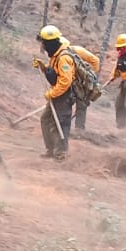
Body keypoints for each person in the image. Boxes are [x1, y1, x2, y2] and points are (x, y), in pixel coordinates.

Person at [35, 25, 80, 161]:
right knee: (46, 119)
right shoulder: (55, 56)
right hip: (57, 94)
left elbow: (65, 82)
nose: (42, 46)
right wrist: (43, 67)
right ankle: (50, 149)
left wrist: (51, 94)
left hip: (64, 96)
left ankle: (61, 153)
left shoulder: (64, 58)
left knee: (60, 123)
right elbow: (55, 74)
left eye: (43, 43)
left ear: (49, 43)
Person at [65, 40, 101, 133]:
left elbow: (95, 61)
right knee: (66, 101)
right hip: (71, 80)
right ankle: (64, 126)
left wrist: (90, 77)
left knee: (82, 104)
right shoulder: (61, 56)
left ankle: (79, 129)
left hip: (83, 82)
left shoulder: (78, 51)